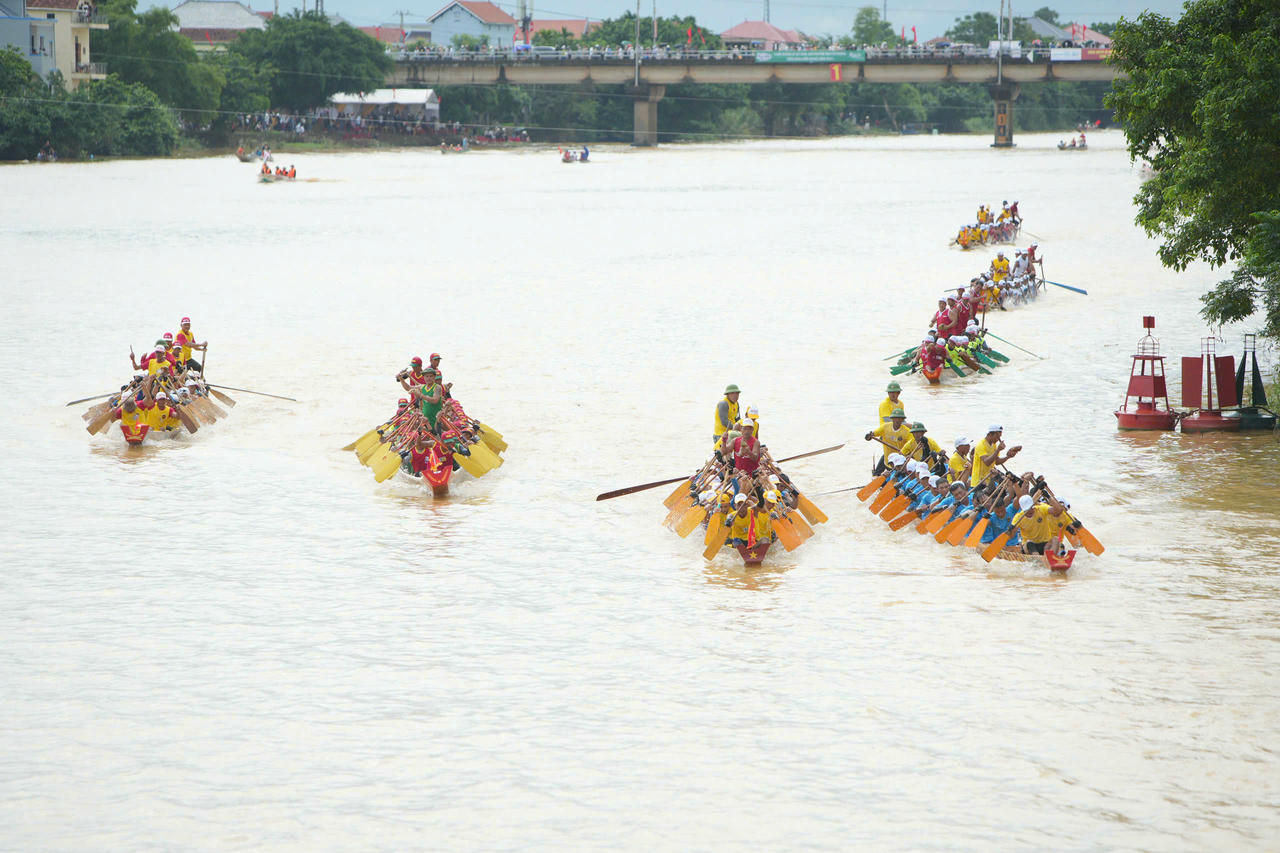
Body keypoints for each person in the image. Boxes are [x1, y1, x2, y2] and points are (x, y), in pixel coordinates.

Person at [866, 407, 912, 474]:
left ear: (902, 420)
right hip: (887, 459)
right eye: (895, 418)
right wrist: (869, 436)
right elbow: (873, 434)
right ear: (892, 419)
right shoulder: (885, 427)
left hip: (899, 463)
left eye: (899, 418)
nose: (897, 420)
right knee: (877, 474)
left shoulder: (907, 432)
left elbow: (912, 445)